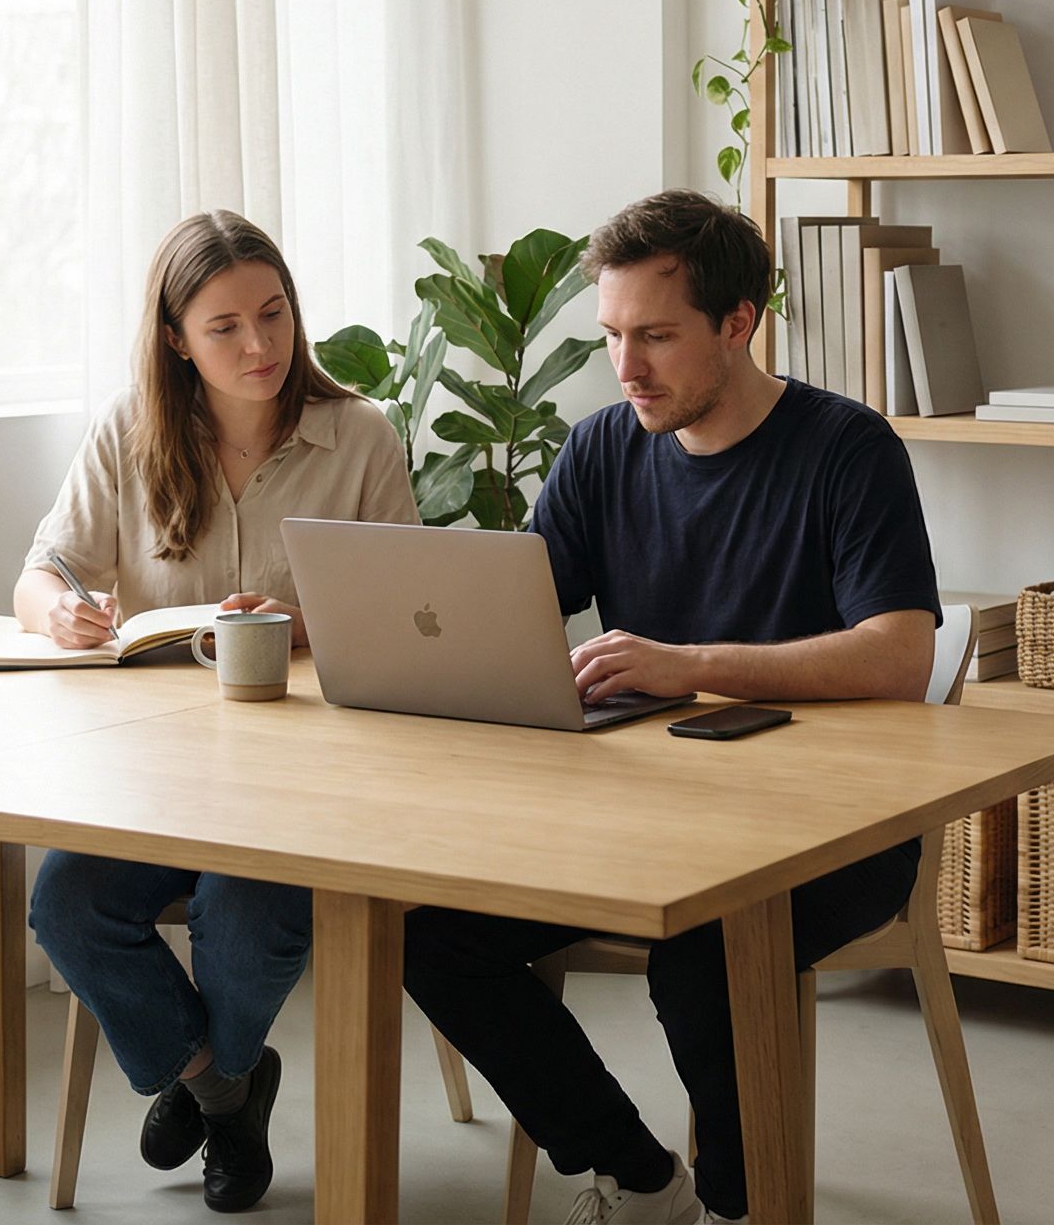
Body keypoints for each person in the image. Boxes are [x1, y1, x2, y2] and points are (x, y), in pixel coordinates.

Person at [403, 190, 940, 1225]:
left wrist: (689, 663)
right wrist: (334, 620)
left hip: (832, 829)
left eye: (655, 334)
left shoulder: (847, 449)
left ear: (738, 323)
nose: (626, 365)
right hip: (645, 819)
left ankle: (747, 1206)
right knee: (431, 936)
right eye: (610, 335)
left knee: (703, 943)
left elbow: (899, 656)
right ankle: (642, 1178)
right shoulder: (605, 450)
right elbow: (504, 609)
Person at [18, 209, 418, 1213]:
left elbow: (414, 613)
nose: (260, 346)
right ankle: (225, 1086)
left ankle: (206, 1082)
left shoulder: (360, 435)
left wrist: (304, 628)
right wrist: (61, 610)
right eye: (226, 326)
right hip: (160, 779)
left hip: (308, 782)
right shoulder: (130, 430)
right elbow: (41, 569)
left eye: (275, 314)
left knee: (242, 915)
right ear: (174, 338)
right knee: (65, 903)